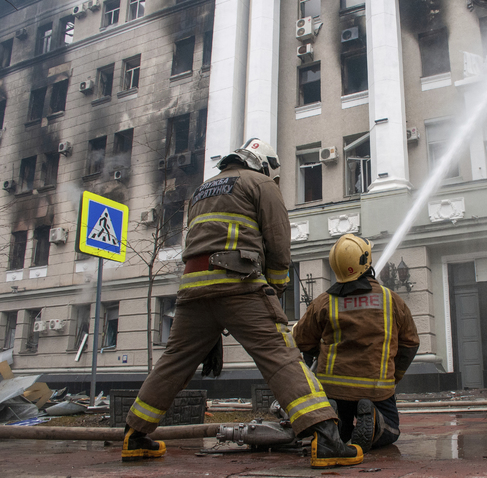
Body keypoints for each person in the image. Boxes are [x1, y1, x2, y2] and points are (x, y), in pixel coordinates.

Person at [122, 138, 362, 469]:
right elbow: (278, 245)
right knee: (281, 357)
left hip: (192, 291)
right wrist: (275, 290)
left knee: (173, 362)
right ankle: (328, 438)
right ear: (263, 165)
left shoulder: (202, 191)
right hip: (239, 282)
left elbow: (199, 241)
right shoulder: (261, 183)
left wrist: (208, 333)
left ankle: (134, 436)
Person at [293, 234, 420, 453]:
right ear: (366, 262)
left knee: (339, 433)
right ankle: (375, 424)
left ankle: (333, 423)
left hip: (333, 389)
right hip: (376, 390)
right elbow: (410, 344)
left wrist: (319, 352)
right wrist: (393, 376)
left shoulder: (323, 302)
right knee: (392, 430)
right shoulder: (391, 300)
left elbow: (302, 341)